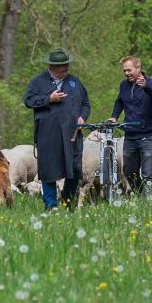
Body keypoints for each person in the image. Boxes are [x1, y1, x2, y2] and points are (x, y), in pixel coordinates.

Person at [23, 48, 91, 211]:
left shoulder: (74, 82)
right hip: (48, 133)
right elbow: (28, 101)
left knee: (74, 168)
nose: (67, 67)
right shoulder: (38, 82)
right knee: (49, 168)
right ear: (52, 66)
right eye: (63, 65)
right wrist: (49, 99)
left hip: (72, 133)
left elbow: (86, 104)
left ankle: (68, 200)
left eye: (67, 64)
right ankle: (51, 205)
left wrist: (83, 117)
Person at [108, 56, 152, 197]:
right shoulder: (123, 85)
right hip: (131, 135)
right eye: (124, 70)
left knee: (148, 173)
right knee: (128, 171)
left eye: (129, 70)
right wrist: (114, 117)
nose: (126, 73)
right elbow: (119, 102)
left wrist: (146, 86)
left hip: (149, 135)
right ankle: (140, 195)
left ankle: (150, 202)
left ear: (138, 68)